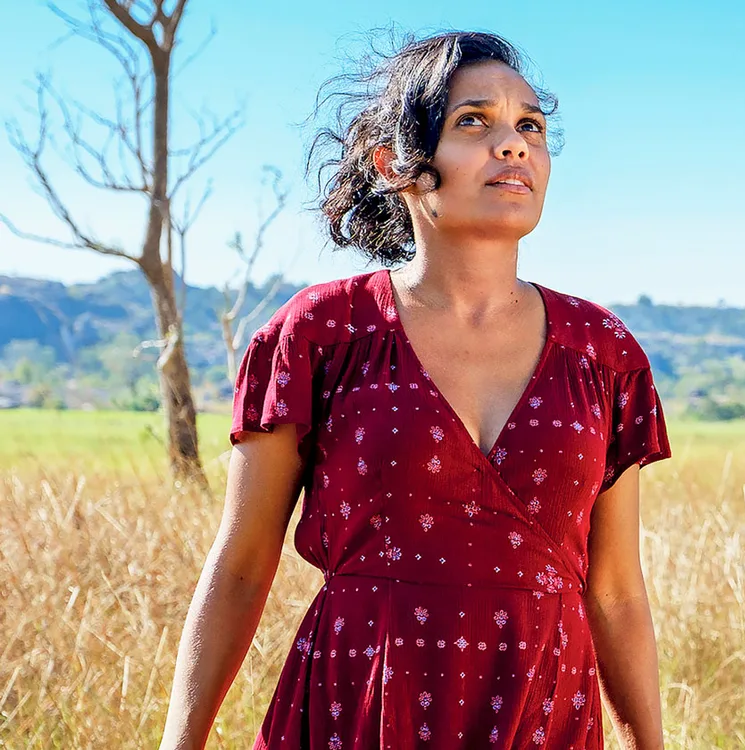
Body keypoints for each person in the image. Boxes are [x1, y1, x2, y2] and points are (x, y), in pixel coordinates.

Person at [159, 30, 672, 750]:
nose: (514, 145)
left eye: (531, 126)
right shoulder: (323, 334)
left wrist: (651, 744)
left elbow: (615, 592)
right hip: (361, 707)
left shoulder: (602, 354)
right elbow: (242, 565)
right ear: (398, 165)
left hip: (541, 712)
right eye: (474, 122)